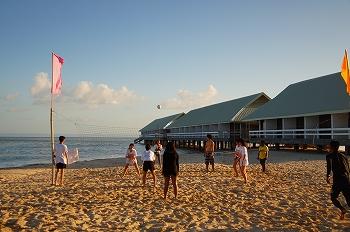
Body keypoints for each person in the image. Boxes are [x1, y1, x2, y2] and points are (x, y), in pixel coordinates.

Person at [326, 140, 350, 220]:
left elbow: (329, 168)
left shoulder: (329, 156)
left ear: (331, 147)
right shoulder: (344, 156)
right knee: (348, 199)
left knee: (333, 197)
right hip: (347, 179)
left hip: (338, 180)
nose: (328, 147)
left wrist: (328, 176)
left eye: (329, 146)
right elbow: (348, 169)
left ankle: (342, 209)